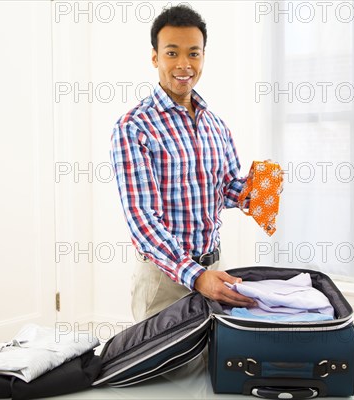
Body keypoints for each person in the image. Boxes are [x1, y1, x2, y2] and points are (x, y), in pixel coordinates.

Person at [111, 4, 256, 323]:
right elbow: (142, 219)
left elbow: (229, 189)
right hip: (165, 280)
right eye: (172, 53)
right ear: (155, 57)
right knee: (162, 373)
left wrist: (259, 192)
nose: (183, 64)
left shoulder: (216, 125)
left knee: (208, 366)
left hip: (213, 271)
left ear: (203, 57)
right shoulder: (134, 127)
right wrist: (195, 276)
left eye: (193, 53)